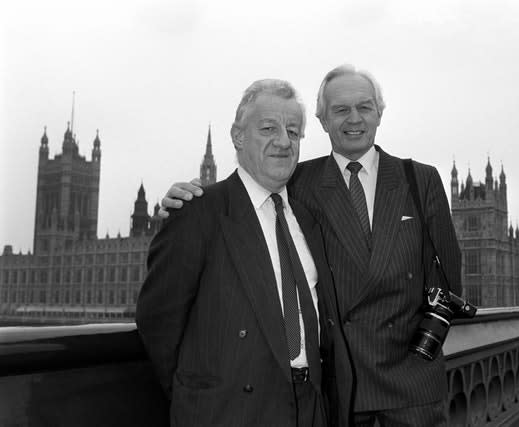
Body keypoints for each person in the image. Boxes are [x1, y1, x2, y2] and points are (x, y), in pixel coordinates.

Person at [161, 65, 461, 427]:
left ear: (380, 112)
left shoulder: (419, 179)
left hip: (412, 388)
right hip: (340, 392)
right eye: (340, 110)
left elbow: (449, 280)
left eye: (364, 107)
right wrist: (184, 199)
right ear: (321, 120)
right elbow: (242, 196)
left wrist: (423, 347)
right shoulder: (297, 181)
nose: (354, 119)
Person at [136, 79, 353, 427]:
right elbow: (157, 321)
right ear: (238, 136)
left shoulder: (310, 220)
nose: (283, 141)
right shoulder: (198, 212)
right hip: (231, 413)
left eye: (293, 131)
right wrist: (197, 400)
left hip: (309, 410)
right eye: (268, 128)